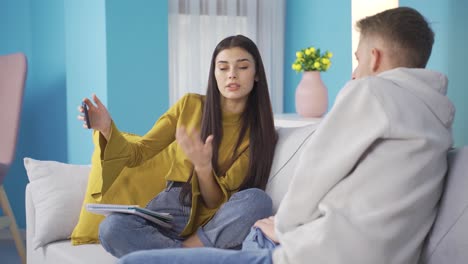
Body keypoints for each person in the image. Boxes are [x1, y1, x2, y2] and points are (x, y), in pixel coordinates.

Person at [116, 6, 455, 264]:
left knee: (137, 261)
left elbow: (316, 171)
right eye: (224, 66)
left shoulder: (369, 94)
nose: (355, 72)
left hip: (305, 253)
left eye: (357, 60)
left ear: (375, 57)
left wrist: (284, 227)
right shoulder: (438, 119)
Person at [77, 35, 278, 258]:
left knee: (257, 200)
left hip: (217, 219)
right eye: (223, 68)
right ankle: (191, 256)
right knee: (111, 228)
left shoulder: (259, 135)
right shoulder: (189, 105)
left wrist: (203, 167)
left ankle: (177, 256)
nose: (232, 74)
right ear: (214, 73)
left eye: (242, 67)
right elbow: (139, 153)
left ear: (257, 73)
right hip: (173, 207)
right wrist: (106, 128)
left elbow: (214, 201)